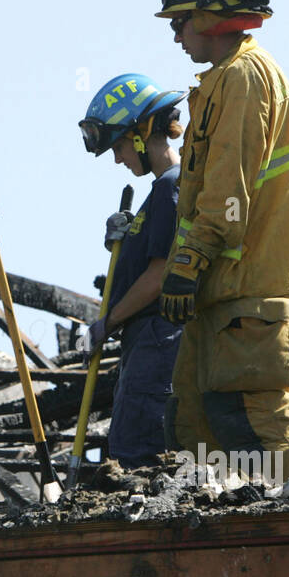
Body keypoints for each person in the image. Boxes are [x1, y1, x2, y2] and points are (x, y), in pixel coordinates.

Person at [154, 0, 289, 483]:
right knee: (196, 425)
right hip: (224, 288)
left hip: (252, 284)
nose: (177, 35)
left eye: (180, 21)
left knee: (253, 413)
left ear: (207, 15)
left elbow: (228, 192)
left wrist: (185, 261)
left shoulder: (244, 79)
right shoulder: (223, 80)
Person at [77, 73, 186, 465]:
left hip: (159, 340)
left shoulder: (170, 187)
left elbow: (160, 276)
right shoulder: (160, 191)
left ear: (141, 135)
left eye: (120, 146)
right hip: (149, 341)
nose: (118, 158)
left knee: (137, 457)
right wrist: (124, 245)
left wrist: (106, 323)